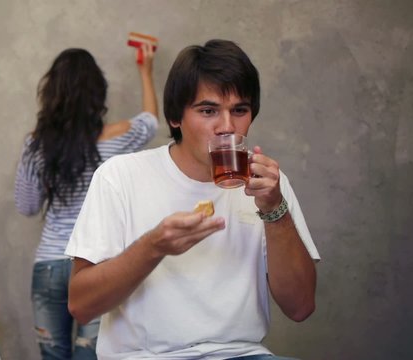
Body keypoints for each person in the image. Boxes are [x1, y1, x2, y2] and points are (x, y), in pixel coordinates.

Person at [65, 39, 320, 360]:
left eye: (239, 110)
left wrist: (274, 210)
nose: (226, 126)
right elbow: (81, 306)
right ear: (175, 117)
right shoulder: (120, 176)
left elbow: (301, 307)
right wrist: (154, 246)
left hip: (241, 354)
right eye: (208, 110)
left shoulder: (268, 185)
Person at [15, 44, 159, 360]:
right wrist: (145, 71)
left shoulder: (36, 145)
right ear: (98, 93)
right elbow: (151, 121)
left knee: (53, 356)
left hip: (50, 266)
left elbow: (26, 205)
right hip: (95, 264)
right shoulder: (119, 136)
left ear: (51, 93)